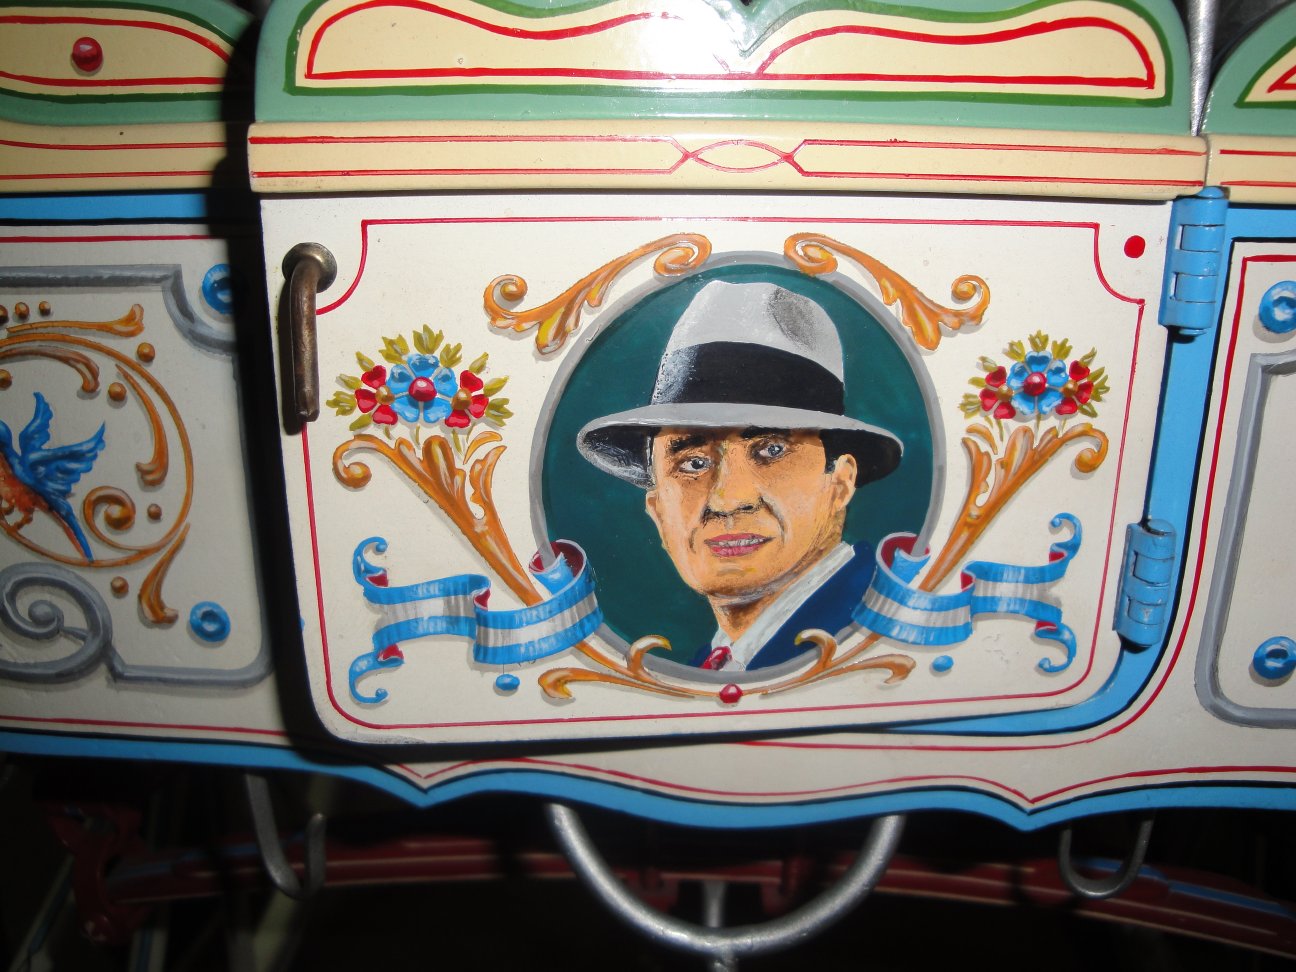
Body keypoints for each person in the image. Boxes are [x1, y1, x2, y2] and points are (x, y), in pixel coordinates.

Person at [576, 278, 902, 672]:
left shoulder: (876, 628)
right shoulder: (716, 667)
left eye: (771, 450)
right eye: (693, 464)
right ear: (658, 509)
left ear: (840, 482)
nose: (727, 499)